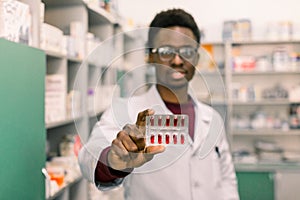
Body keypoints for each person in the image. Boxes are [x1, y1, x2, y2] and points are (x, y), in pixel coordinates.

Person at [79, 8, 239, 200]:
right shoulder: (125, 110)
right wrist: (114, 160)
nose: (177, 60)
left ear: (196, 57)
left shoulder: (212, 118)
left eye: (187, 51)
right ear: (150, 56)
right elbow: (88, 156)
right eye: (166, 51)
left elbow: (227, 179)